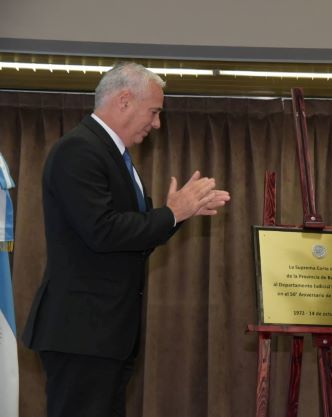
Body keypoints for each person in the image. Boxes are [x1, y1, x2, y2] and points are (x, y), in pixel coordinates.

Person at [22, 62, 230, 417]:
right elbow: (102, 231)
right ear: (124, 101)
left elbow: (131, 240)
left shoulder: (113, 155)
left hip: (105, 336)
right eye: (154, 112)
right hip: (82, 334)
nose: (157, 123)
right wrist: (171, 213)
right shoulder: (79, 150)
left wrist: (178, 215)